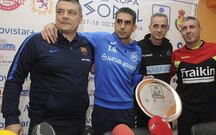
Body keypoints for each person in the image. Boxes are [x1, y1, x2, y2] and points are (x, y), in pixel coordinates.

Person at [41, 7, 143, 135]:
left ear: (134, 27)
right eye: (119, 21)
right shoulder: (101, 39)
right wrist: (52, 25)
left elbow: (133, 79)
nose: (122, 26)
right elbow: (70, 32)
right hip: (102, 109)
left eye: (127, 23)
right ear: (114, 23)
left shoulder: (137, 51)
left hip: (126, 110)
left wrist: (143, 80)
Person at [1, 0, 93, 135]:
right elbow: (14, 80)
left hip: (78, 124)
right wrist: (11, 119)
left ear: (80, 18)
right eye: (60, 11)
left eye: (71, 12)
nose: (65, 16)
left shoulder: (87, 45)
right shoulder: (36, 42)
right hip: (44, 125)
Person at [170, 16, 216, 135]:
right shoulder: (176, 55)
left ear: (200, 29)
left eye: (192, 27)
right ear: (181, 32)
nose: (188, 31)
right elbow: (165, 78)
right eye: (184, 28)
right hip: (185, 112)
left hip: (210, 110)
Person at [135, 13, 173, 128]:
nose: (159, 30)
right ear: (150, 27)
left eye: (163, 26)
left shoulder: (169, 46)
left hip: (165, 105)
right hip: (145, 104)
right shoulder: (138, 47)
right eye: (155, 26)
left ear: (167, 28)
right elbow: (132, 74)